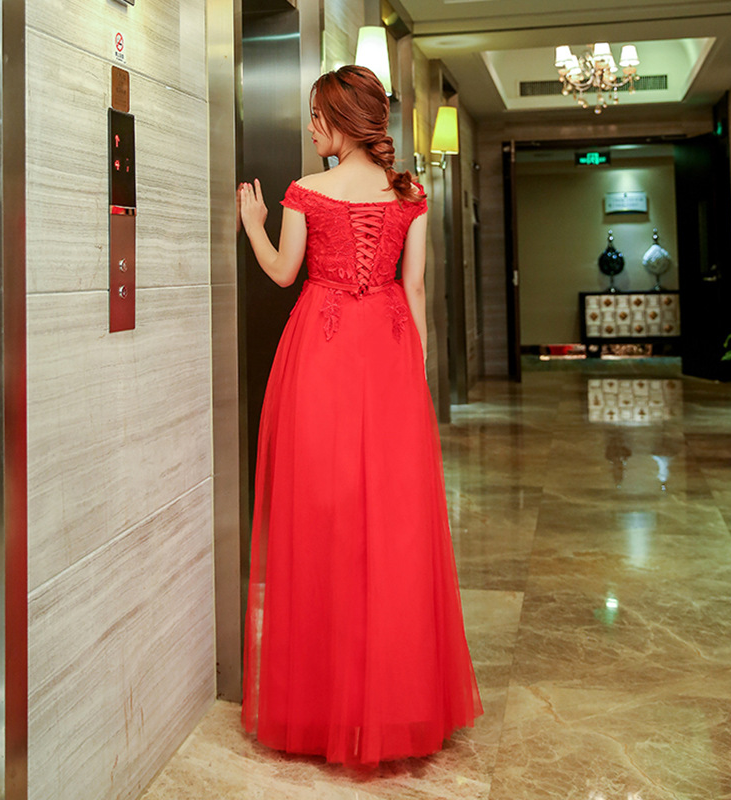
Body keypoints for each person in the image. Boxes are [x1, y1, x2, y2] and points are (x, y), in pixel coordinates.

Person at [237, 65, 482, 768]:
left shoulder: (305, 192)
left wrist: (253, 225)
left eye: (317, 116)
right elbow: (415, 288)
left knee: (321, 517)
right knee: (392, 524)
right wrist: (418, 375)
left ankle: (321, 703)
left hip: (320, 355)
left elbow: (284, 274)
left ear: (343, 121)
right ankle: (393, 699)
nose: (311, 127)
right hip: (390, 353)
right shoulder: (410, 194)